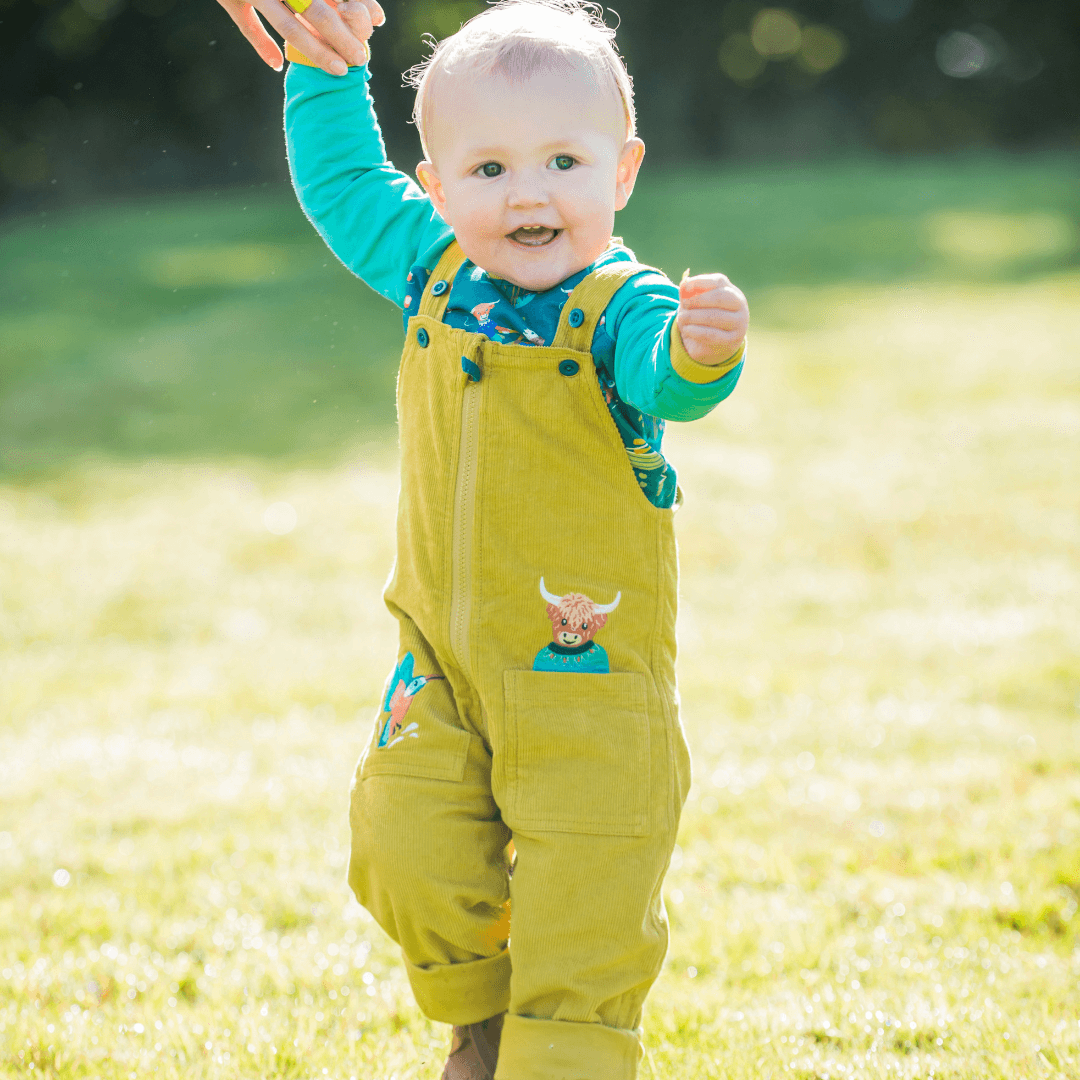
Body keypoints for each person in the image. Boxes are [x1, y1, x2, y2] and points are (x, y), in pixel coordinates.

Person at [281, 2, 750, 1077]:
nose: (529, 192)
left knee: (591, 888)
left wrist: (701, 349)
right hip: (440, 659)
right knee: (401, 836)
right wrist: (322, 72)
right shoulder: (429, 268)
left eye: (562, 161)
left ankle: (559, 1057)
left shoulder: (624, 307)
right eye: (487, 169)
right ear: (438, 187)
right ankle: (480, 1017)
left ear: (621, 173)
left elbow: (665, 377)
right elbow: (347, 185)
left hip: (587, 677)